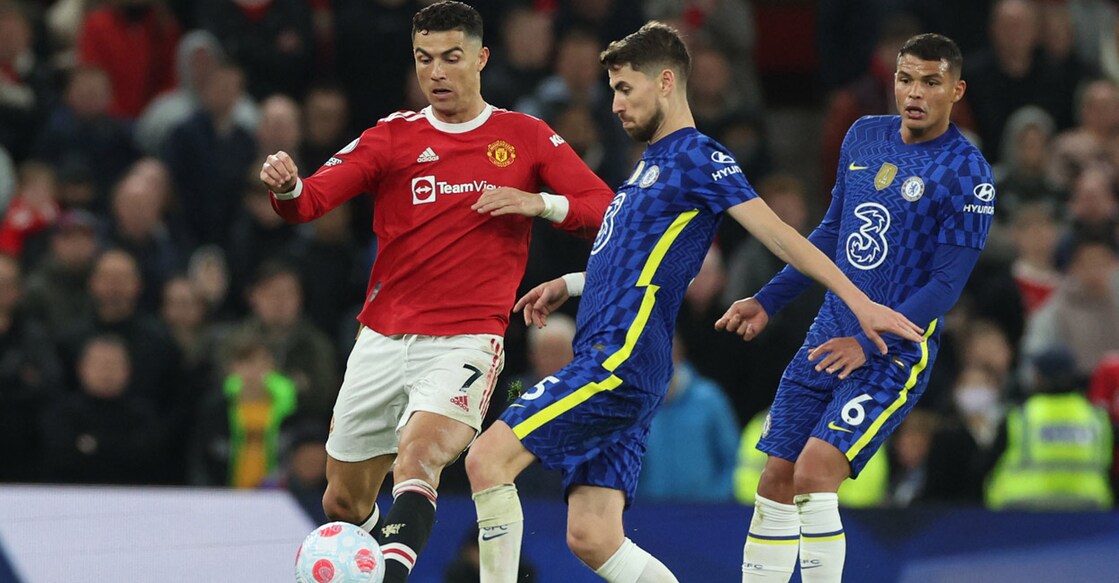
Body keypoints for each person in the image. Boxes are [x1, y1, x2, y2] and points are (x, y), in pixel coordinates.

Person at [463, 22, 923, 583]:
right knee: (593, 537)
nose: (615, 104)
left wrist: (857, 299)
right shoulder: (648, 165)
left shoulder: (698, 156)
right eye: (612, 90)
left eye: (625, 88)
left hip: (619, 357)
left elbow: (780, 235)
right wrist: (572, 283)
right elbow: (642, 263)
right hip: (616, 356)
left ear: (664, 82)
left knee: (486, 459)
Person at [257, 3, 615, 581]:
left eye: (451, 58)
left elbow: (606, 208)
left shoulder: (524, 136)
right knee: (342, 502)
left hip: (465, 341)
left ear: (481, 58)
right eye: (425, 59)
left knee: (419, 458)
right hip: (381, 337)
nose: (437, 73)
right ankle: (373, 559)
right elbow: (310, 202)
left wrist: (538, 203)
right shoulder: (393, 136)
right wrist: (289, 186)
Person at [727, 33, 994, 582]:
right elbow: (829, 234)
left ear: (956, 90)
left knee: (814, 472)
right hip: (828, 334)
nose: (914, 93)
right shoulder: (863, 136)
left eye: (931, 82)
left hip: (894, 353)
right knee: (776, 479)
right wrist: (768, 300)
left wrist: (869, 342)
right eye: (905, 79)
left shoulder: (968, 173)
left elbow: (946, 286)